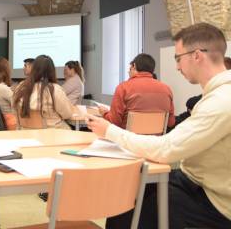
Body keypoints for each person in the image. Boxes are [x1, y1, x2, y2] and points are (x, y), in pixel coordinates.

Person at [87, 23, 231, 229]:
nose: (177, 67)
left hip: (212, 199)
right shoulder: (206, 95)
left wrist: (108, 130)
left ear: (197, 55)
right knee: (135, 189)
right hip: (194, 179)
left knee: (126, 206)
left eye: (178, 58)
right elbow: (171, 125)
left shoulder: (220, 102)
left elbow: (166, 150)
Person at [98, 53, 175, 129]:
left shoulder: (123, 88)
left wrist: (104, 113)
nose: (128, 72)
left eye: (129, 68)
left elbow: (114, 122)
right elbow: (171, 123)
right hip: (156, 140)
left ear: (134, 66)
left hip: (127, 140)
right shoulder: (167, 90)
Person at [13, 55, 74, 129]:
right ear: (52, 71)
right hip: (52, 135)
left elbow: (14, 111)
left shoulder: (20, 87)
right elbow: (67, 114)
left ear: (34, 69)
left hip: (25, 134)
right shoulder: (55, 89)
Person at [0, 57, 16, 130]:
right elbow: (18, 105)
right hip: (10, 124)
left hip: (1, 123)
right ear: (6, 71)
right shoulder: (3, 89)